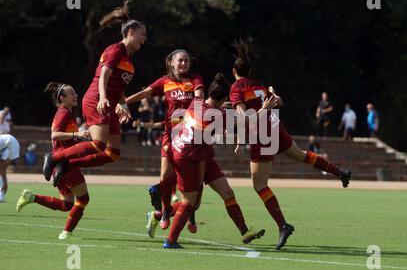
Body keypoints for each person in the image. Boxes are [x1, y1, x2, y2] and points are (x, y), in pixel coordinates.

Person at [230, 39, 351, 250]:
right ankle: (340, 172)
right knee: (303, 156)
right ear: (250, 71)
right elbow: (279, 102)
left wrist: (244, 133)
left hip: (262, 135)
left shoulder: (236, 88)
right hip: (276, 128)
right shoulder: (258, 85)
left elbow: (243, 119)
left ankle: (283, 225)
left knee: (260, 186)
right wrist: (274, 96)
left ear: (234, 71)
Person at [41, 0, 147, 186]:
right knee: (98, 144)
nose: (144, 39)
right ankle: (54, 158)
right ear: (130, 33)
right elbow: (104, 75)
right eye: (142, 34)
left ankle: (67, 165)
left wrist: (123, 107)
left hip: (110, 106)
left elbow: (119, 89)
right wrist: (104, 97)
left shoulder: (129, 61)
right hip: (97, 100)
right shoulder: (115, 49)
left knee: (112, 154)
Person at [161, 73, 272, 248]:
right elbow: (245, 121)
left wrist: (221, 107)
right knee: (190, 203)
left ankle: (245, 232)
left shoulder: (197, 102)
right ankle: (170, 239)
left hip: (198, 156)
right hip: (187, 159)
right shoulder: (218, 115)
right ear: (224, 98)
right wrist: (264, 109)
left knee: (227, 193)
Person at [125, 49, 204, 233]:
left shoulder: (195, 79)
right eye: (180, 61)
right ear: (172, 63)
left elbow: (199, 95)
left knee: (195, 180)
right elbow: (145, 93)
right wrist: (123, 103)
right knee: (165, 177)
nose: (183, 64)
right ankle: (166, 212)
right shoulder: (165, 81)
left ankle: (191, 215)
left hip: (193, 135)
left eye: (186, 61)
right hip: (172, 134)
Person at [16, 82, 91, 239]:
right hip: (66, 162)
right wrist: (76, 135)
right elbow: (54, 135)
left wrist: (78, 137)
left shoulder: (66, 113)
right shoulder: (62, 113)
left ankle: (31, 197)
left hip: (62, 163)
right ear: (62, 98)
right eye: (71, 93)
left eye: (75, 93)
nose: (76, 96)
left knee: (67, 204)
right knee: (83, 199)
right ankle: (66, 232)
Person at [0, 134, 20, 202]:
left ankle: (3, 189)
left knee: (2, 169)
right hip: (7, 146)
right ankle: (2, 194)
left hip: (12, 144)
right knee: (2, 169)